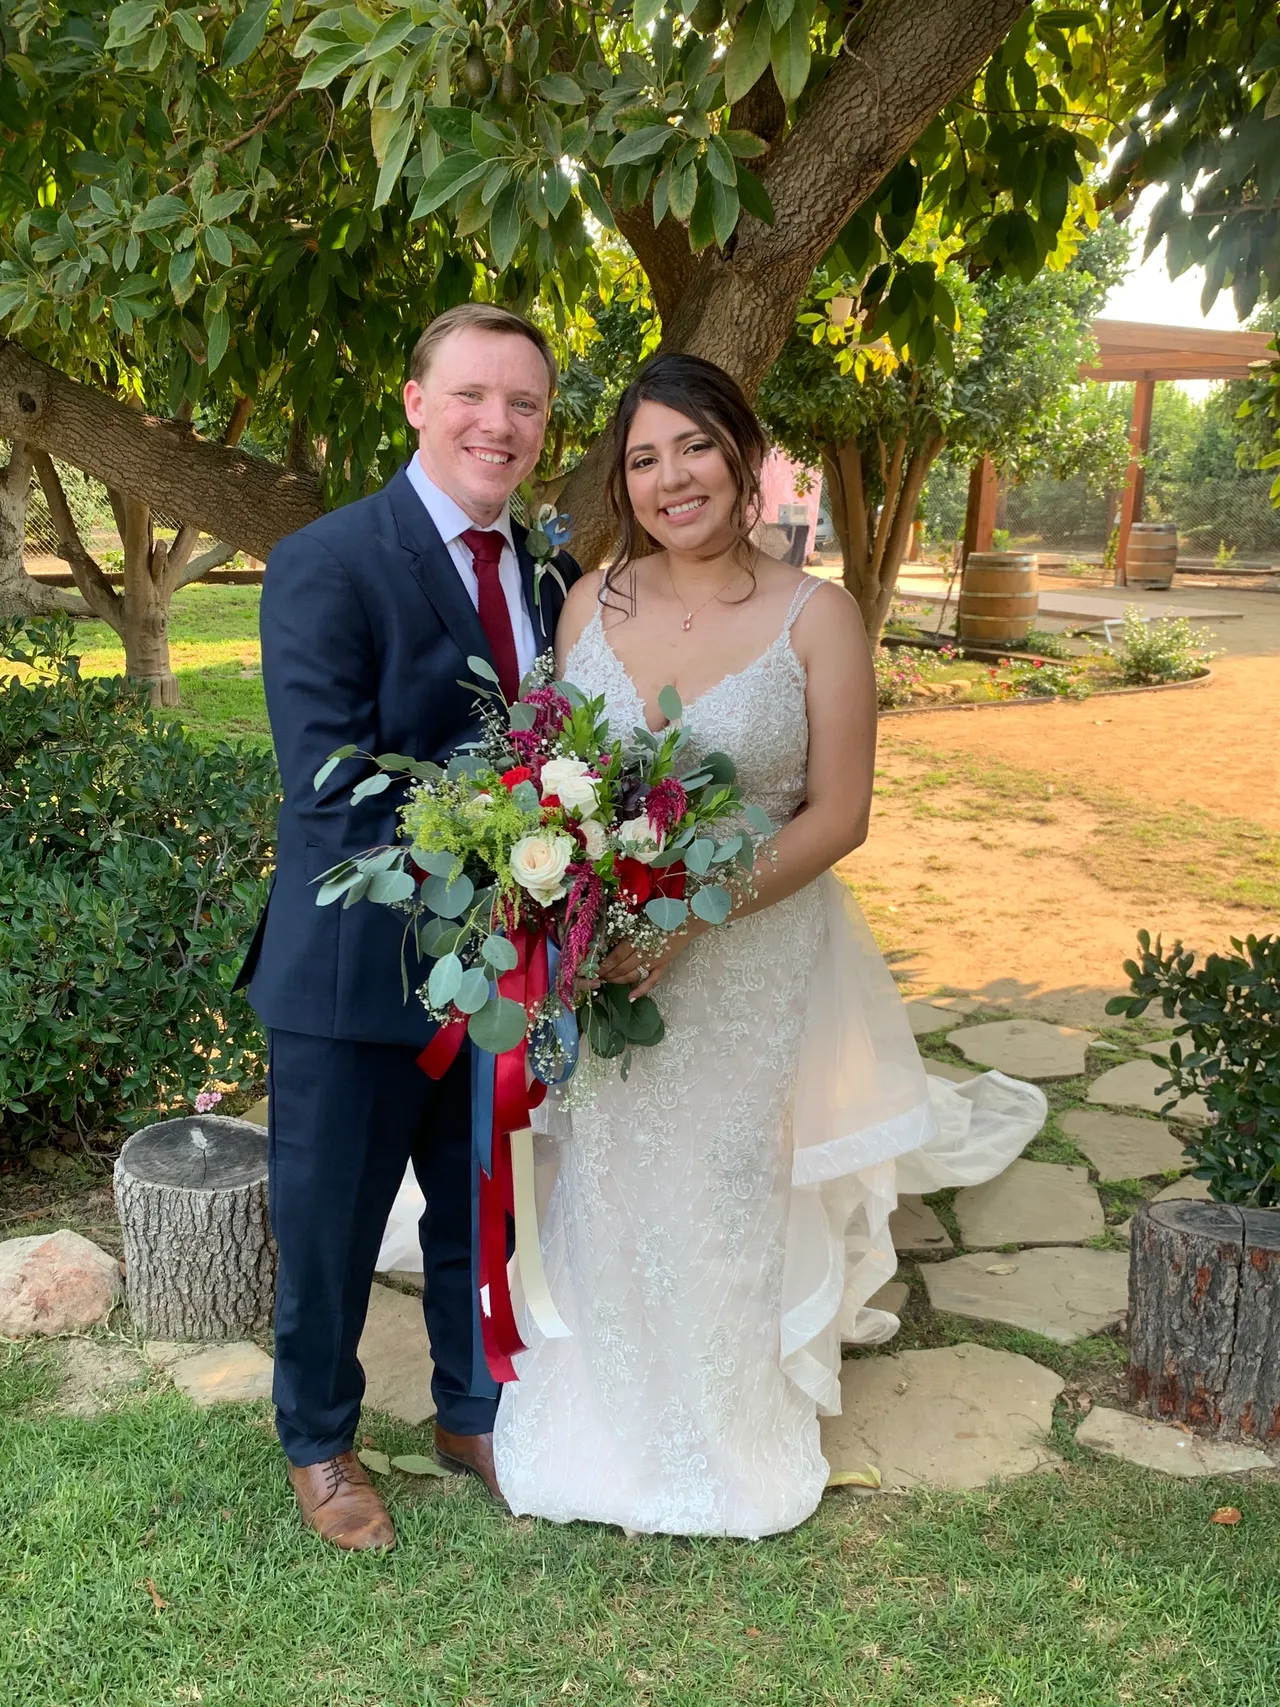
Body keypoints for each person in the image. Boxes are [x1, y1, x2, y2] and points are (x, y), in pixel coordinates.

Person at [492, 353, 1044, 1537]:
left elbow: (838, 815)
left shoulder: (818, 614)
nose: (668, 477)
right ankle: (609, 1412)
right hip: (604, 961)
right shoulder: (589, 600)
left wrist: (684, 918)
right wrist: (565, 895)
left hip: (747, 954)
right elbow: (550, 777)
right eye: (641, 459)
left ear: (742, 455)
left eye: (691, 447)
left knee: (721, 1179)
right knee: (609, 1169)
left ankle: (723, 1431)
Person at [236, 304, 578, 1551]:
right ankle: (320, 1443)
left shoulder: (546, 572)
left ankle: (466, 1412)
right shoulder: (327, 559)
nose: (500, 422)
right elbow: (327, 780)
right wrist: (504, 840)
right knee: (328, 1226)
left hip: (501, 969)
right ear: (415, 402)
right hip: (354, 975)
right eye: (475, 395)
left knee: (475, 1207)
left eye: (526, 404)